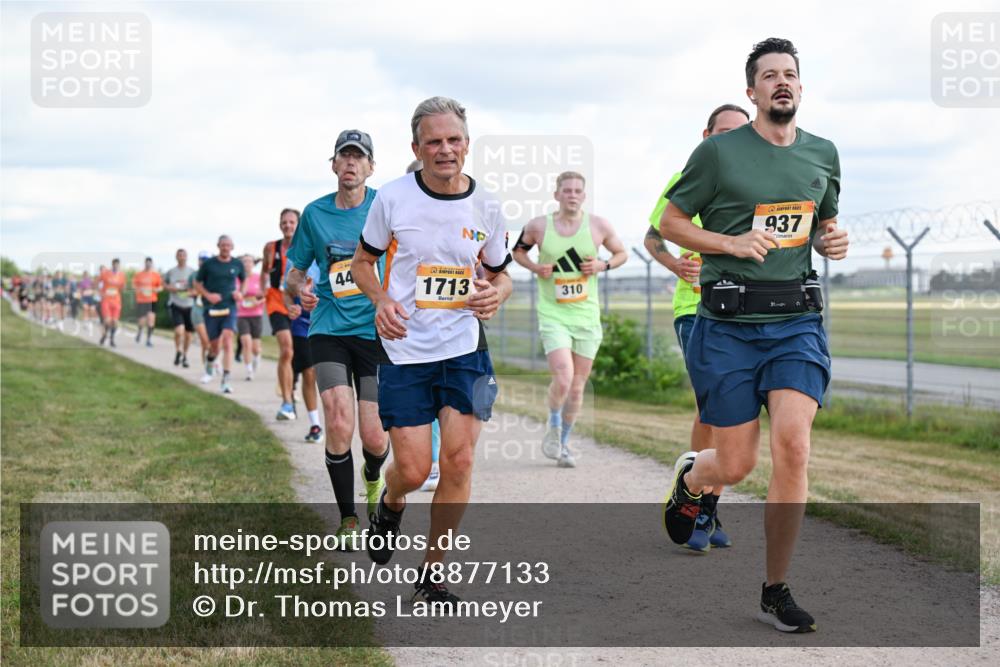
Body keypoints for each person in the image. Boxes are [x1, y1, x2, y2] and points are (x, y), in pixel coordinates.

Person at [660, 38, 848, 634]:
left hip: (795, 322)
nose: (781, 83)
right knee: (736, 465)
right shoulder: (717, 155)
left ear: (800, 85)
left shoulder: (823, 153)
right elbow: (670, 221)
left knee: (793, 444)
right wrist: (729, 243)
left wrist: (829, 242)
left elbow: (820, 225)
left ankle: (775, 588)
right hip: (728, 326)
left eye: (790, 74)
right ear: (753, 91)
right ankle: (694, 477)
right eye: (769, 76)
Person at [352, 97, 513, 607]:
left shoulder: (487, 205)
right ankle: (392, 500)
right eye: (434, 142)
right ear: (417, 148)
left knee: (460, 461)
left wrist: (496, 293)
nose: (445, 150)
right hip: (405, 350)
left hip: (464, 348)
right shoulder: (393, 199)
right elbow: (361, 263)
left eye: (454, 140)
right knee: (416, 469)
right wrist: (380, 301)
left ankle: (433, 571)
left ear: (467, 144)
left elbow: (501, 272)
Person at [644, 103, 750, 551]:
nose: (729, 141)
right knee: (714, 406)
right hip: (697, 308)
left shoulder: (758, 184)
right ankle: (694, 501)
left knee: (739, 413)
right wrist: (673, 264)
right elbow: (654, 236)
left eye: (739, 134)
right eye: (722, 133)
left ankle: (707, 500)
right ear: (706, 135)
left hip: (750, 309)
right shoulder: (689, 179)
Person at [286, 129, 390, 545]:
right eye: (343, 157)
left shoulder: (385, 206)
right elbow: (295, 271)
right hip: (328, 327)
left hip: (375, 332)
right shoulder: (314, 214)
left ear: (369, 167)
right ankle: (348, 519)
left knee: (374, 435)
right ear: (333, 165)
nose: (350, 163)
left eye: (358, 157)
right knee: (338, 418)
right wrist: (301, 288)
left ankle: (372, 476)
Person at [512, 171, 628, 468]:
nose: (572, 195)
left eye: (578, 190)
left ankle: (562, 444)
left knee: (577, 386)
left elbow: (621, 254)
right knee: (563, 377)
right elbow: (518, 252)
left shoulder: (598, 225)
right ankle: (552, 425)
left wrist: (602, 264)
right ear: (557, 195)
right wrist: (536, 268)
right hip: (553, 313)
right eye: (567, 190)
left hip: (587, 315)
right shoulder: (539, 225)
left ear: (584, 196)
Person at [193, 235, 247, 394]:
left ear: (232, 246)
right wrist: (208, 295)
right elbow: (197, 283)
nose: (225, 248)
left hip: (229, 307)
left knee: (228, 339)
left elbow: (243, 281)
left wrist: (240, 293)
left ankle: (226, 380)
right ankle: (210, 363)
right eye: (223, 245)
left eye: (228, 245)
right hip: (211, 309)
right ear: (218, 246)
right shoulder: (209, 264)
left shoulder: (237, 264)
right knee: (215, 346)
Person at [262, 209, 299, 419]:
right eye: (284, 222)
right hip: (276, 303)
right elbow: (265, 272)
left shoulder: (305, 246)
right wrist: (261, 290)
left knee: (299, 355)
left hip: (299, 306)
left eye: (292, 222)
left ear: (298, 224)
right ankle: (286, 402)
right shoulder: (271, 247)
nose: (288, 226)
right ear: (279, 225)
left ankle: (291, 386)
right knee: (286, 350)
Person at [284, 261, 323, 443]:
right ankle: (315, 424)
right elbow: (287, 293)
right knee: (309, 371)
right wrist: (290, 306)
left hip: (326, 321)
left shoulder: (335, 251)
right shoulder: (295, 261)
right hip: (302, 324)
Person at [165, 249, 196, 367]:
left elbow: (197, 287)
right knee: (179, 331)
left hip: (189, 305)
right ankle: (178, 350)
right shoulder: (171, 272)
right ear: (176, 257)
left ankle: (185, 355)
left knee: (188, 334)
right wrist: (170, 288)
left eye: (184, 255)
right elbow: (163, 284)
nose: (182, 257)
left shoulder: (192, 272)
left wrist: (191, 292)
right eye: (179, 255)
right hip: (176, 304)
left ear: (187, 257)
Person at [236, 254, 265, 380]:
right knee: (246, 342)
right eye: (244, 262)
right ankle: (249, 371)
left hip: (256, 314)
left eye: (249, 262)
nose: (247, 264)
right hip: (241, 315)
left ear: (253, 264)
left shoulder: (259, 278)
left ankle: (256, 361)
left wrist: (258, 302)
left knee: (256, 348)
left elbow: (265, 294)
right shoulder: (237, 279)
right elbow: (235, 294)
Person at [192, 251, 215, 382]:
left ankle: (211, 362)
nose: (204, 261)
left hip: (212, 310)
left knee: (214, 342)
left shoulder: (214, 274)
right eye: (202, 259)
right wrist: (198, 291)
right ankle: (207, 369)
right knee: (205, 342)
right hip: (198, 309)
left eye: (206, 259)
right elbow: (188, 289)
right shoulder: (194, 275)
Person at [132, 257, 163, 347]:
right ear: (145, 264)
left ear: (152, 264)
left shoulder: (156, 275)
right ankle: (140, 331)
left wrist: (156, 289)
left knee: (151, 320)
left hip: (152, 300)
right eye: (147, 263)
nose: (148, 264)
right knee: (141, 321)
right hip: (141, 300)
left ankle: (148, 339)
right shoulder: (139, 274)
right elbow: (134, 286)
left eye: (150, 263)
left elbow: (160, 287)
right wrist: (139, 289)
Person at [98, 259, 126, 347]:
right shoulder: (105, 273)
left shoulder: (122, 275)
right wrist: (100, 293)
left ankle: (112, 340)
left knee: (115, 322)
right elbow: (96, 283)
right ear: (112, 265)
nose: (116, 266)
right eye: (115, 265)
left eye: (118, 265)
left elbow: (122, 288)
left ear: (119, 266)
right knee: (107, 321)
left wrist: (124, 288)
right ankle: (104, 335)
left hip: (116, 301)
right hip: (106, 300)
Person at [78, 271, 97, 335]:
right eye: (85, 275)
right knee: (86, 309)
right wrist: (80, 296)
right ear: (83, 275)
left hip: (90, 298)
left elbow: (95, 288)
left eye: (87, 275)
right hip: (84, 297)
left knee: (91, 310)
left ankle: (90, 322)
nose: (86, 276)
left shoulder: (91, 281)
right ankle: (85, 323)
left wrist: (93, 291)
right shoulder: (81, 282)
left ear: (88, 275)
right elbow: (80, 290)